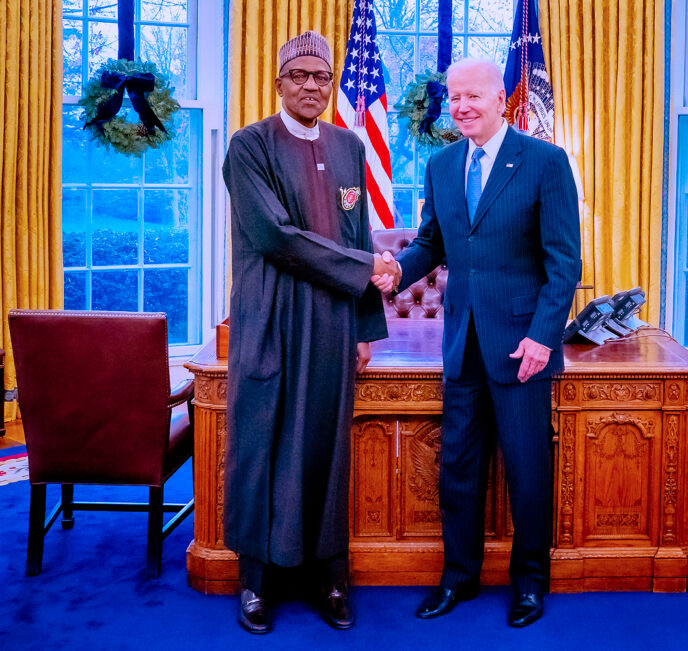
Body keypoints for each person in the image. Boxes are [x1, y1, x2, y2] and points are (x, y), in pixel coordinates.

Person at [375, 58, 581, 627]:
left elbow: (564, 262)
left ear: (501, 99)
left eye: (473, 96)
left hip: (523, 349)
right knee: (458, 469)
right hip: (461, 343)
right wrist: (396, 270)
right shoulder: (441, 165)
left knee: (526, 468)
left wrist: (543, 337)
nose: (462, 106)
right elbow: (432, 243)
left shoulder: (545, 162)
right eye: (454, 96)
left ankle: (531, 584)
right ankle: (458, 578)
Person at [222, 31, 398, 634]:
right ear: (278, 81)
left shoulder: (350, 146)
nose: (311, 86)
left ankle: (330, 576)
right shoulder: (248, 147)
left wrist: (366, 327)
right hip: (269, 318)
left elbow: (358, 234)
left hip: (331, 323)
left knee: (327, 446)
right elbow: (275, 236)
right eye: (298, 75)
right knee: (261, 443)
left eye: (321, 77)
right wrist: (363, 269)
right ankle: (255, 581)